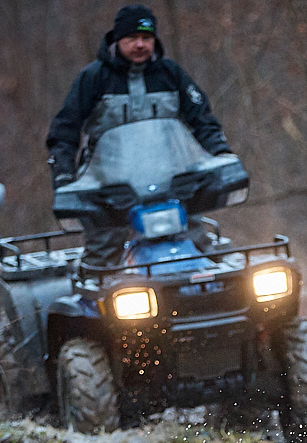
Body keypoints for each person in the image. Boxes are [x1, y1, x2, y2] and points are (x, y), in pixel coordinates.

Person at [46, 4, 231, 267]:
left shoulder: (171, 75)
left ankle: (212, 300)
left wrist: (222, 156)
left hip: (171, 187)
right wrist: (64, 176)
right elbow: (64, 131)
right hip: (109, 193)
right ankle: (94, 303)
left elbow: (203, 121)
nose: (140, 45)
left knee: (203, 252)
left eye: (146, 38)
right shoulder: (94, 78)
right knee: (102, 261)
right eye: (132, 38)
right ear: (117, 39)